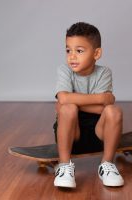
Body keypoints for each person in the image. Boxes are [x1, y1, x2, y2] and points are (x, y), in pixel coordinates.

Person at [53, 22, 124, 188]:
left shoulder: (104, 72)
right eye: (68, 50)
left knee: (114, 111)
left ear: (96, 53)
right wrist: (100, 99)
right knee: (68, 109)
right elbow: (63, 99)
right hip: (72, 133)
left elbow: (106, 106)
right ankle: (64, 166)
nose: (71, 56)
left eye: (79, 51)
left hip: (99, 133)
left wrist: (71, 101)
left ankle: (106, 164)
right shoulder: (64, 70)